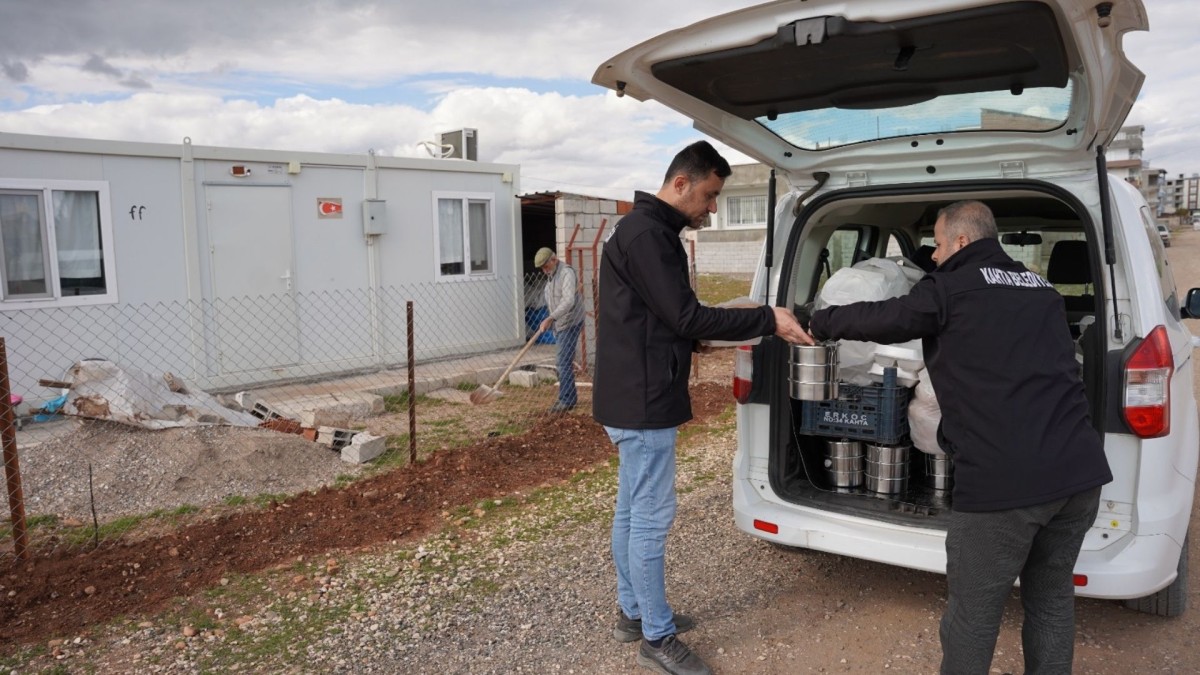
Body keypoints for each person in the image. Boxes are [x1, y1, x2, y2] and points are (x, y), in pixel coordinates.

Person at [804, 200, 1113, 675]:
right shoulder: (1041, 288)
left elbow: (884, 317)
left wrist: (817, 322)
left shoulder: (952, 287)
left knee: (973, 617)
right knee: (1051, 600)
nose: (934, 255)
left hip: (1005, 483)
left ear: (964, 241)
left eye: (941, 244)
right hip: (1079, 474)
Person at [593, 140, 809, 675]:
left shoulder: (638, 229)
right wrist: (767, 318)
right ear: (682, 183)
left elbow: (656, 318)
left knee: (630, 509)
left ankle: (633, 613)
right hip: (643, 402)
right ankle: (656, 638)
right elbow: (686, 316)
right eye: (710, 196)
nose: (712, 208)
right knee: (649, 518)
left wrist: (692, 338)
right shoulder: (649, 236)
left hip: (628, 393)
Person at [534, 247, 585, 413]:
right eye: (541, 268)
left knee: (562, 362)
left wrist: (550, 318)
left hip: (570, 322)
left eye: (545, 266)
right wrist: (553, 320)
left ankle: (567, 400)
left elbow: (569, 301)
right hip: (559, 323)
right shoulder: (551, 276)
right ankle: (567, 397)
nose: (544, 270)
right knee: (564, 361)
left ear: (554, 260)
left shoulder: (566, 273)